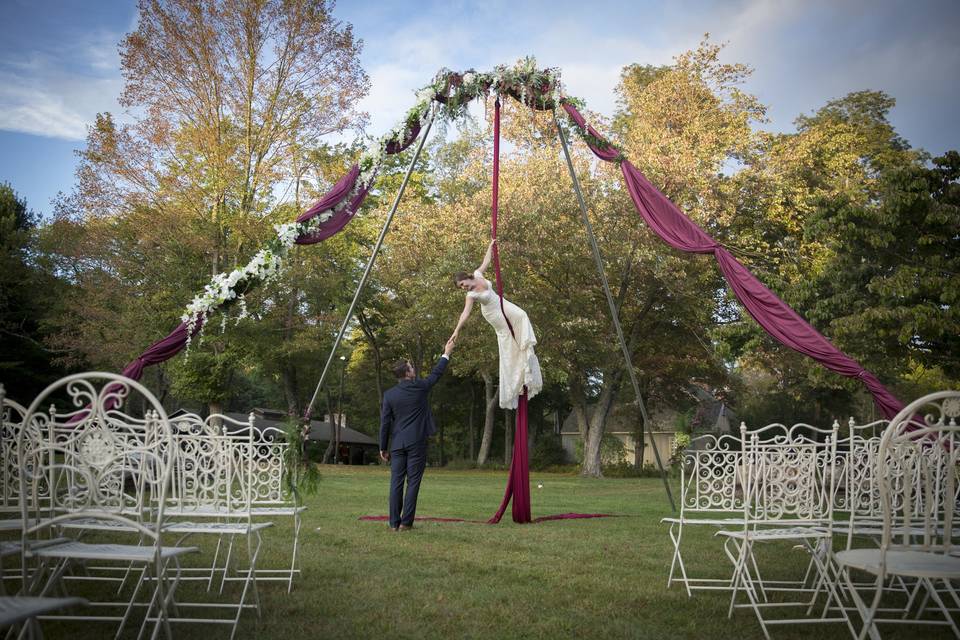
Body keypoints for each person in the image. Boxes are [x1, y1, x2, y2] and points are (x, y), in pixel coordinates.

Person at [450, 238, 543, 409]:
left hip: (500, 302)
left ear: (467, 278)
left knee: (522, 315)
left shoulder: (478, 274)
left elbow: (486, 261)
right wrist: (456, 330)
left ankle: (524, 353)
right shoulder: (470, 295)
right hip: (493, 313)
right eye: (461, 288)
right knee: (508, 336)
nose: (463, 288)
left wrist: (490, 246)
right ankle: (516, 368)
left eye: (463, 285)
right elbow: (465, 314)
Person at [378, 337, 456, 531]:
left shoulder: (389, 395)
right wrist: (446, 352)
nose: (414, 369)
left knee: (396, 483)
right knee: (413, 482)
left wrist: (382, 447)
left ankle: (393, 523)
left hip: (397, 444)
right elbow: (436, 374)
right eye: (411, 367)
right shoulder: (419, 387)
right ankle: (405, 523)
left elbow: (385, 423)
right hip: (416, 443)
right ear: (407, 373)